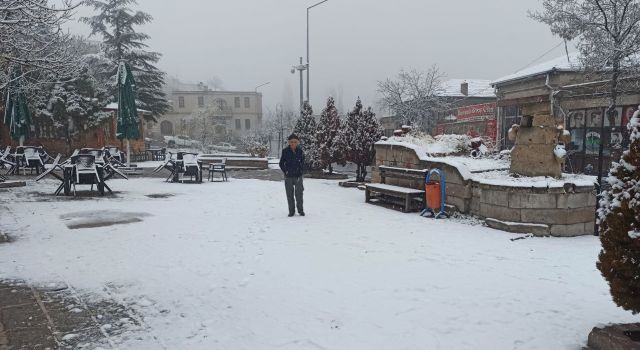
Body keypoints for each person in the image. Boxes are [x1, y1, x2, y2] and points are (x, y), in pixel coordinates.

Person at [279, 134, 306, 217]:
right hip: (288, 177)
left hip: (298, 176)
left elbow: (303, 163)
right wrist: (286, 171)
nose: (293, 143)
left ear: (297, 142)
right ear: (289, 142)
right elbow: (281, 163)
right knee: (289, 195)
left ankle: (300, 210)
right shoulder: (285, 151)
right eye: (291, 142)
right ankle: (291, 211)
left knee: (299, 194)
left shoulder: (300, 151)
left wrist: (301, 171)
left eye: (295, 142)